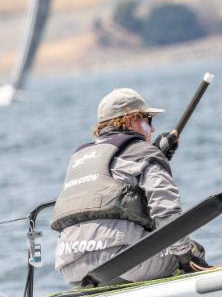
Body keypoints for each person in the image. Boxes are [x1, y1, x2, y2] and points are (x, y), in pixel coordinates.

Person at [52, 88, 207, 286]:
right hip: (123, 263)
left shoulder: (79, 157)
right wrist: (187, 258)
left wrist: (156, 153)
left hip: (72, 268)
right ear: (129, 120)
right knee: (193, 251)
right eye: (148, 120)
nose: (152, 129)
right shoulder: (144, 153)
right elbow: (166, 209)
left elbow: (114, 183)